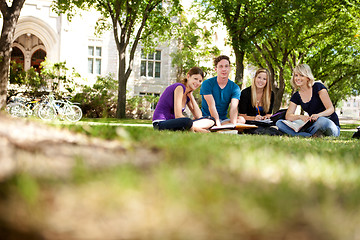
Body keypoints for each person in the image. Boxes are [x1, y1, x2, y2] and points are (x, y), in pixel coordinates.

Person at [276, 64, 340, 137]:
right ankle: (309, 135)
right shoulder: (296, 95)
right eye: (296, 75)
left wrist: (318, 115)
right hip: (313, 125)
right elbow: (288, 116)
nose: (298, 78)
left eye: (301, 75)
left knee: (321, 121)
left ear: (308, 78)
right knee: (279, 123)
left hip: (329, 124)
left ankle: (302, 134)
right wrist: (300, 117)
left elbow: (331, 109)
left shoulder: (318, 87)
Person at [152, 67, 215, 132]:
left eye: (200, 81)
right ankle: (198, 129)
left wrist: (191, 96)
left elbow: (198, 116)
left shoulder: (188, 95)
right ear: (188, 76)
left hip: (176, 124)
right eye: (195, 79)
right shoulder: (179, 87)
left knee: (211, 119)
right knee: (187, 121)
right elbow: (178, 116)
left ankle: (190, 128)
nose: (197, 82)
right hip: (160, 123)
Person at [200, 55, 245, 126]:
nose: (224, 69)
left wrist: (233, 125)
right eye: (221, 66)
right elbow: (212, 106)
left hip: (223, 119)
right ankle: (217, 126)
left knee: (241, 120)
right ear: (216, 69)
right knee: (210, 122)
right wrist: (218, 125)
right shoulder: (207, 84)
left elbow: (233, 107)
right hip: (207, 118)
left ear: (229, 68)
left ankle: (220, 126)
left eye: (226, 66)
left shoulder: (235, 87)